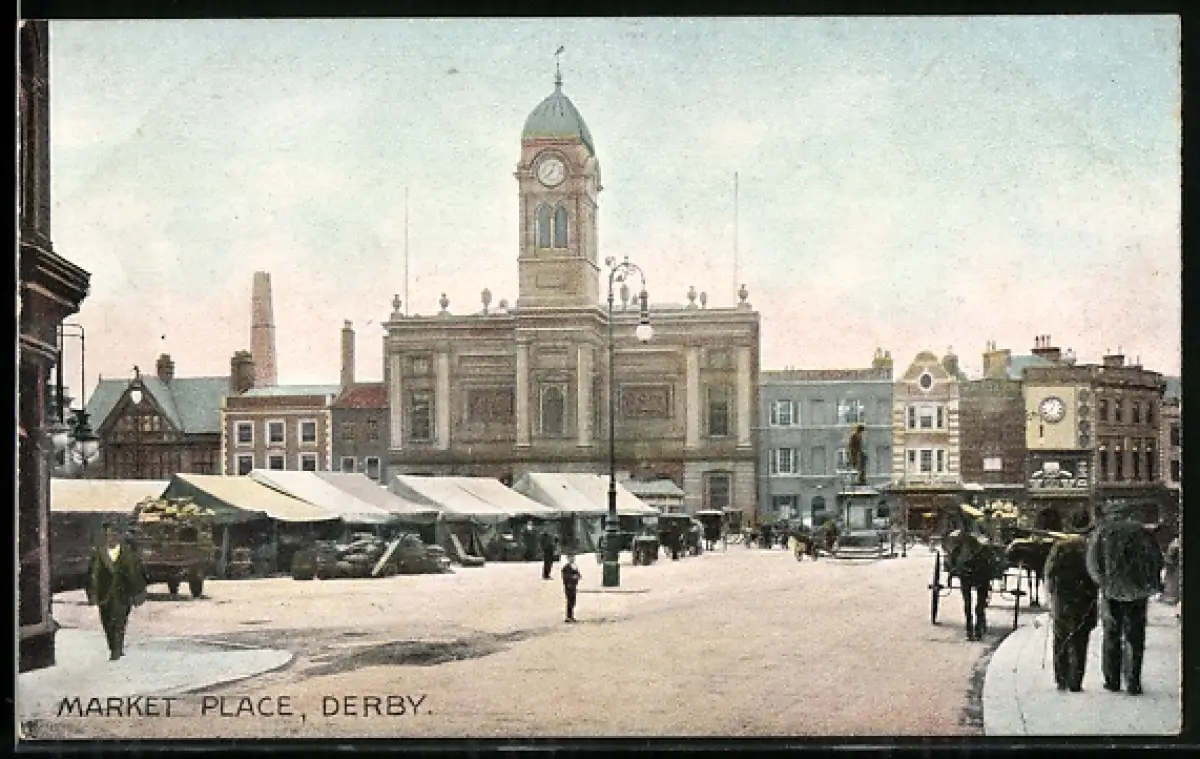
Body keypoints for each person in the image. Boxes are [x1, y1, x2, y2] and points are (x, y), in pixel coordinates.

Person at [1086, 502, 1165, 695]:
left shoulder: (1102, 532)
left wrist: (1103, 582)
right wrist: (1149, 582)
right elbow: (1157, 559)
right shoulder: (1142, 532)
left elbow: (1092, 562)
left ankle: (1112, 680)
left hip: (1111, 590)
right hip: (1138, 591)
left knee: (1111, 634)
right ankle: (1133, 681)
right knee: (1135, 636)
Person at [1044, 524, 1099, 692]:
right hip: (1085, 598)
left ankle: (1061, 678)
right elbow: (1097, 572)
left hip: (1062, 598)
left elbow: (1049, 572)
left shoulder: (1060, 546)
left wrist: (1051, 594)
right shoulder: (1090, 547)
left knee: (1060, 638)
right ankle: (1076, 681)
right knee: (1081, 640)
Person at [88, 521, 148, 661]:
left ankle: (117, 649)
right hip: (105, 595)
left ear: (119, 536)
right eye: (108, 535)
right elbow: (93, 575)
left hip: (122, 595)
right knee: (107, 623)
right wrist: (93, 595)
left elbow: (136, 574)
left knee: (120, 622)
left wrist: (138, 593)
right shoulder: (99, 553)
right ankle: (113, 646)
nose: (111, 538)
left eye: (114, 535)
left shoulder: (128, 553)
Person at [561, 554, 581, 623]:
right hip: (568, 587)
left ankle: (571, 616)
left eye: (573, 558)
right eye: (570, 558)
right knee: (569, 601)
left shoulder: (574, 566)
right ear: (568, 559)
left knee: (573, 601)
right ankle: (568, 616)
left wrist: (577, 576)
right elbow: (565, 577)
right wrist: (572, 577)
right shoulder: (565, 567)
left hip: (573, 586)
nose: (572, 559)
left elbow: (578, 574)